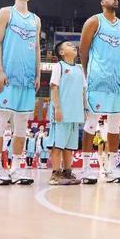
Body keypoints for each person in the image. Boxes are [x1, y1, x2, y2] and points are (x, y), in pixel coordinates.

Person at [0, 0, 41, 185]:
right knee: (0, 124)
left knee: (21, 127)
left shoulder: (36, 19)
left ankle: (17, 168)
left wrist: (38, 74)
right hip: (8, 77)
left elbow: (37, 48)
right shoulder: (6, 12)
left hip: (27, 79)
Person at [79, 0, 120, 184]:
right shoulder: (94, 21)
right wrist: (87, 74)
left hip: (117, 81)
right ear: (102, 2)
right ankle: (85, 168)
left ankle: (111, 169)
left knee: (115, 124)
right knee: (91, 122)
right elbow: (83, 50)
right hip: (97, 79)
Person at [47, 41, 85, 186]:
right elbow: (54, 87)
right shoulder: (59, 66)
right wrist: (57, 108)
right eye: (68, 45)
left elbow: (83, 91)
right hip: (61, 112)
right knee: (58, 145)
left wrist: (84, 109)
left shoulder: (79, 69)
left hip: (75, 114)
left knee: (69, 146)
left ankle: (67, 172)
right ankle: (55, 174)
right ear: (61, 52)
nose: (73, 46)